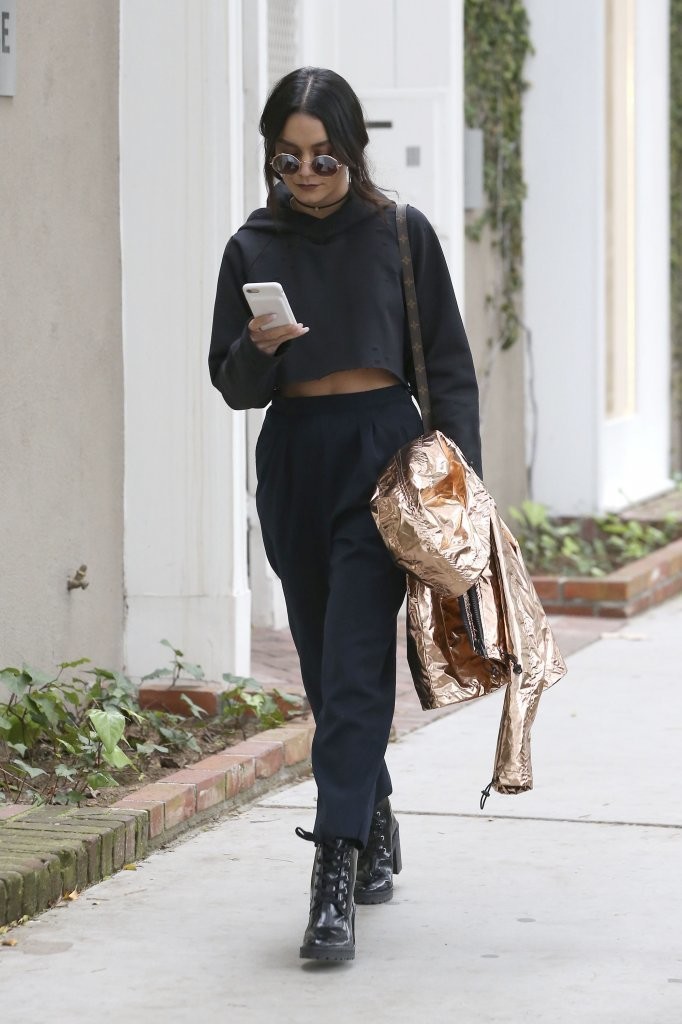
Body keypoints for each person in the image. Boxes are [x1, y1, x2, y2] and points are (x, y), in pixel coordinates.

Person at [209, 67, 482, 962]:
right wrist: (258, 349)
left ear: (353, 151)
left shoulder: (401, 233)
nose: (306, 174)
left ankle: (336, 870)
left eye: (323, 157)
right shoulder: (252, 246)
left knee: (360, 661)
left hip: (381, 456)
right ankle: (373, 805)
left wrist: (461, 491)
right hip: (295, 457)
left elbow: (448, 367)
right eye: (287, 159)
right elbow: (233, 385)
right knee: (327, 666)